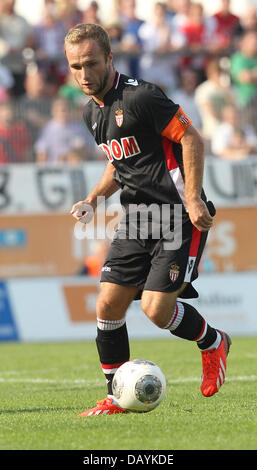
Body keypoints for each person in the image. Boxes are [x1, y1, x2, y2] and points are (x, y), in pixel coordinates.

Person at [65, 23, 231, 416]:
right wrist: (92, 198)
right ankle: (115, 394)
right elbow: (117, 162)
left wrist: (193, 199)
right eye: (75, 66)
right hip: (137, 217)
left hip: (177, 216)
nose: (84, 75)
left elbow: (191, 138)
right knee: (107, 304)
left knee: (156, 311)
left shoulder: (142, 96)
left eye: (90, 63)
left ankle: (213, 342)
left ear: (109, 58)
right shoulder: (92, 113)